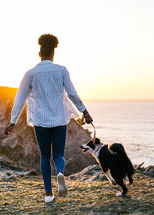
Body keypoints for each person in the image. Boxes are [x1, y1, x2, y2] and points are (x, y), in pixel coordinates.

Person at [5, 33, 93, 203]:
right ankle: (60, 172)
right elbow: (73, 94)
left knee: (44, 156)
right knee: (59, 153)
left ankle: (48, 194)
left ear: (40, 53)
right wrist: (85, 111)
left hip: (41, 122)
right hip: (59, 120)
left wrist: (13, 121)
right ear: (53, 54)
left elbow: (20, 98)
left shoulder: (31, 73)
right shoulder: (61, 70)